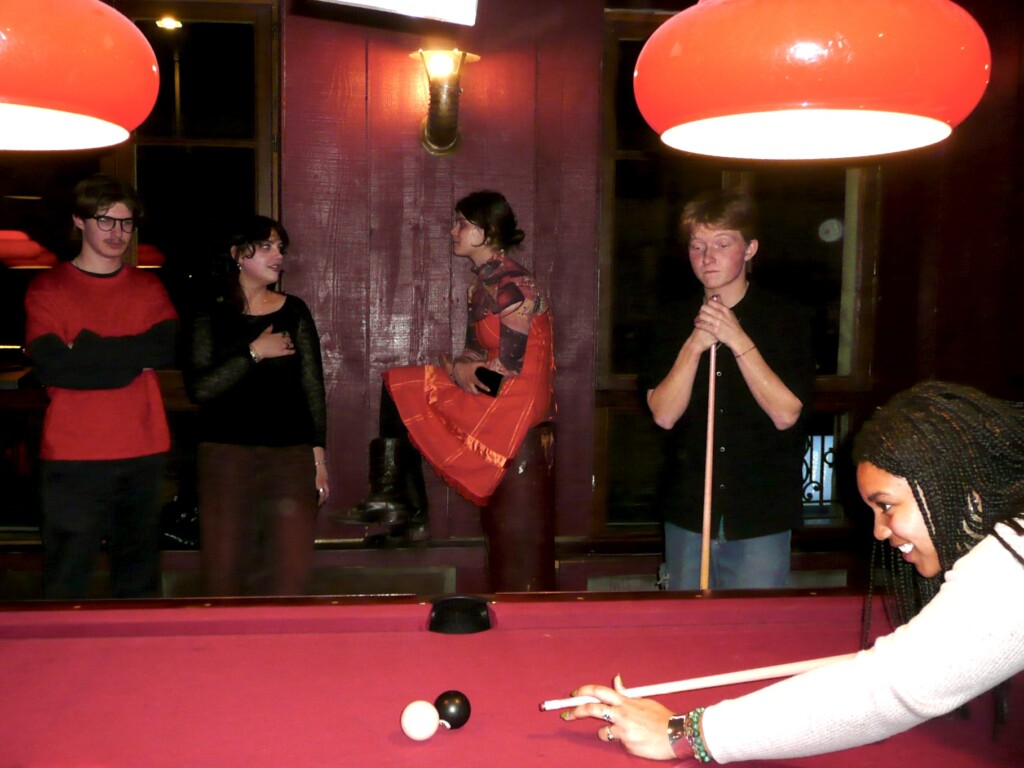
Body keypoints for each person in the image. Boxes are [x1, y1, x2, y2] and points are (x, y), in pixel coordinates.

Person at [562, 381, 1024, 762]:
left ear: (966, 489)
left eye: (887, 507)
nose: (881, 532)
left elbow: (888, 689)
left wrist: (683, 731)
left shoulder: (1010, 567)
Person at [341, 190, 554, 539]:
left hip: (518, 394)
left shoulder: (513, 284)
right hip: (497, 381)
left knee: (404, 386)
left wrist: (458, 371)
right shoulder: (481, 284)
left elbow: (511, 365)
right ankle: (402, 506)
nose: (453, 231)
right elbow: (473, 350)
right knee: (400, 386)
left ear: (485, 232)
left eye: (461, 224)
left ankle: (401, 503)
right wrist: (460, 366)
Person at [641, 189, 813, 590]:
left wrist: (737, 339)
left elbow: (786, 413)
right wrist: (694, 345)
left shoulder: (785, 318)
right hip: (688, 510)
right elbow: (664, 414)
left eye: (722, 244)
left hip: (760, 512)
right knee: (689, 635)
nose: (707, 257)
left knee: (755, 636)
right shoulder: (669, 321)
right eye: (698, 246)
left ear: (750, 249)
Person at [24, 174, 178, 599]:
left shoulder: (148, 286)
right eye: (106, 221)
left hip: (143, 449)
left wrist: (87, 346)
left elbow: (165, 349)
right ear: (79, 221)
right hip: (73, 454)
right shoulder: (48, 287)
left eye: (126, 223)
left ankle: (141, 663)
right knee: (68, 574)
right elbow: (55, 368)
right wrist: (131, 360)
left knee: (140, 574)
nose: (118, 233)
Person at [185, 216, 328, 596]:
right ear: (237, 254)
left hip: (291, 457)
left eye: (280, 247)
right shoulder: (210, 312)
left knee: (290, 573)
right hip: (226, 457)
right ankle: (226, 653)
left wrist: (318, 459)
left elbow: (312, 388)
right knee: (225, 571)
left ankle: (283, 653)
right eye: (266, 246)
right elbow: (200, 388)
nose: (277, 254)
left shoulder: (293, 311)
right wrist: (254, 352)